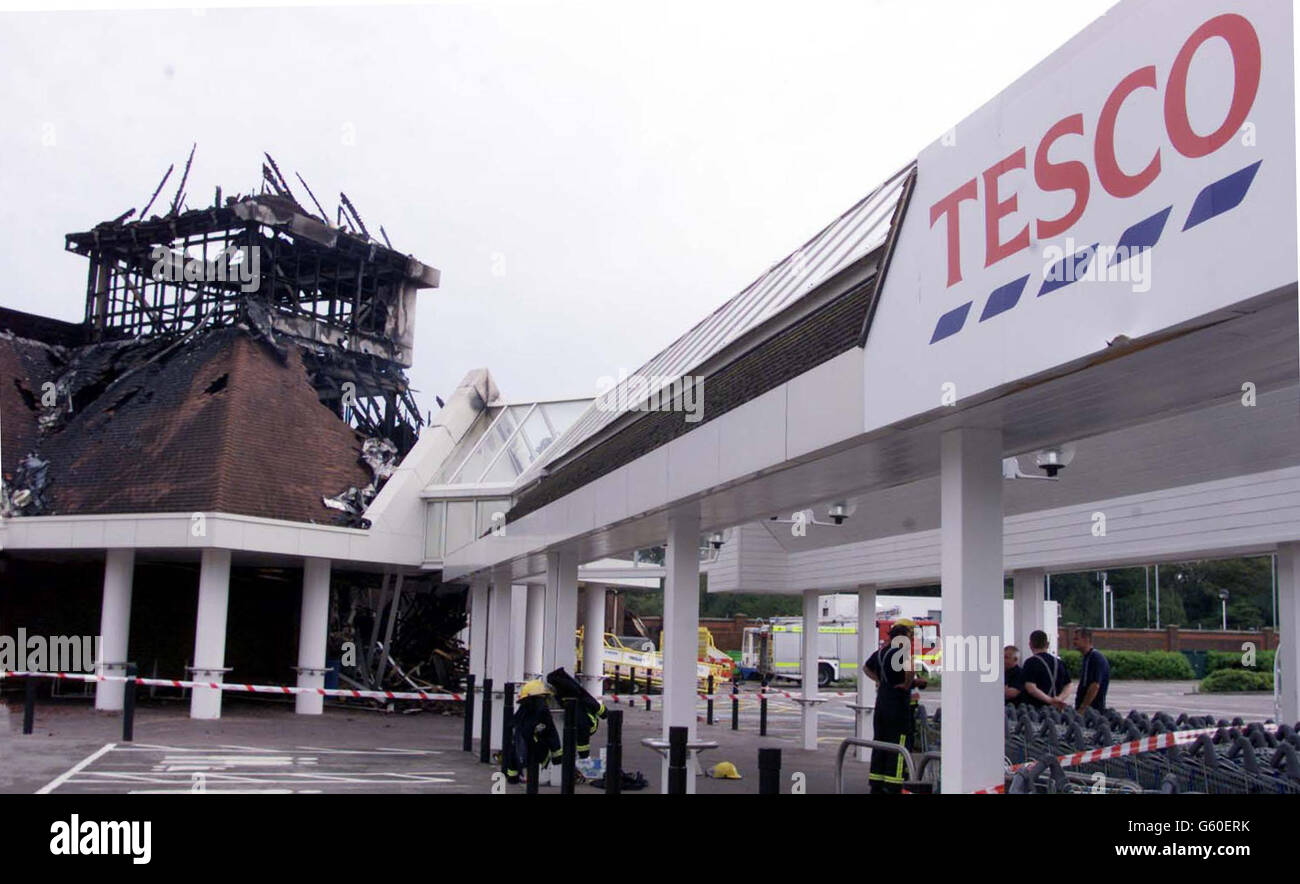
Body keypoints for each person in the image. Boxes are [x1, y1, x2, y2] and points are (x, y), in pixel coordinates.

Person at [868, 619, 926, 793]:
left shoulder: (881, 652)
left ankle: (876, 783)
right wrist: (909, 684)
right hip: (898, 706)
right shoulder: (903, 651)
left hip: (882, 703)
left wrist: (880, 680)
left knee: (880, 743)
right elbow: (908, 670)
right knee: (899, 744)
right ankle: (894, 784)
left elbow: (866, 668)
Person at [1021, 629, 1072, 709]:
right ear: (1047, 644)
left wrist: (1050, 700)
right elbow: (1068, 685)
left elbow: (1031, 688)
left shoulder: (1030, 663)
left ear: (1030, 644)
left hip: (1036, 709)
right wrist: (1059, 698)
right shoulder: (1059, 663)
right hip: (1057, 709)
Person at [1072, 628, 1110, 711]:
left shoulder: (1095, 658)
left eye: (1076, 639)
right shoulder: (1087, 658)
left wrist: (1083, 707)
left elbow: (1095, 686)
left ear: (1086, 640)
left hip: (1093, 710)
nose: (1074, 642)